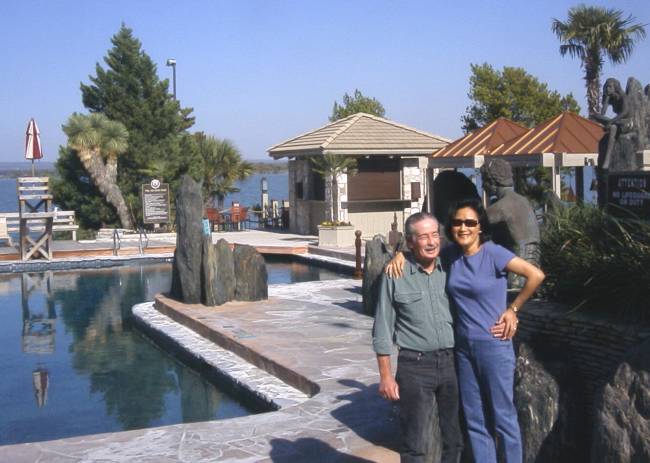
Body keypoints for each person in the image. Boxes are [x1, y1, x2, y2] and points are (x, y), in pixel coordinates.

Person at [386, 199, 545, 463]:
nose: (463, 227)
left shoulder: (494, 253)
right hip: (462, 348)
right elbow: (421, 248)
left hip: (494, 345)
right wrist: (400, 254)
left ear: (480, 226)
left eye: (470, 222)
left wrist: (513, 309)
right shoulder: (451, 255)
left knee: (503, 415)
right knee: (475, 418)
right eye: (458, 222)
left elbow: (535, 275)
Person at [373, 212, 463, 463]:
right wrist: (386, 376)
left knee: (453, 438)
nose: (432, 241)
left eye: (435, 235)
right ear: (411, 242)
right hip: (415, 366)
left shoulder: (451, 266)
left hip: (451, 363)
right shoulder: (394, 275)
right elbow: (382, 328)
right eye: (423, 237)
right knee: (415, 442)